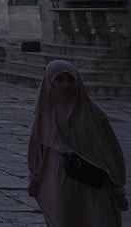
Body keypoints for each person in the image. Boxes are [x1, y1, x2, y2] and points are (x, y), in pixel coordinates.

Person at [27, 59, 128, 225]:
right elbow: (36, 149)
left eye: (70, 79)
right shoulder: (45, 116)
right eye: (59, 80)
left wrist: (118, 187)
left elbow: (111, 151)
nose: (65, 85)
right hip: (59, 181)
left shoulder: (93, 114)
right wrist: (34, 177)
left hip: (93, 182)